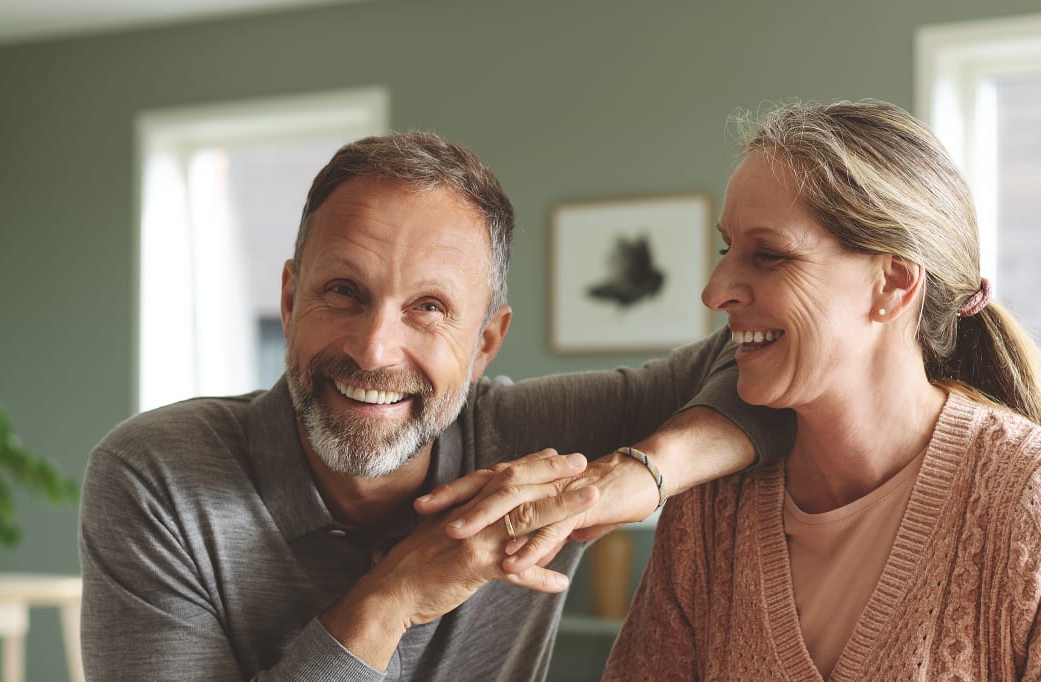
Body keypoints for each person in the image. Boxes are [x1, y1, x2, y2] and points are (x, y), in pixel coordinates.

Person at [78, 131, 790, 681]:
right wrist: (393, 598)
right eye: (343, 293)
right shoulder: (157, 476)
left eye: (428, 308)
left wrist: (634, 476)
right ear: (290, 299)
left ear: (485, 343)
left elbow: (772, 357)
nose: (374, 349)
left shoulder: (534, 438)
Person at [603, 101, 1041, 680]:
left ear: (894, 284)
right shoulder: (710, 510)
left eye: (768, 255)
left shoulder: (1040, 503)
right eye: (728, 249)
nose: (715, 290)